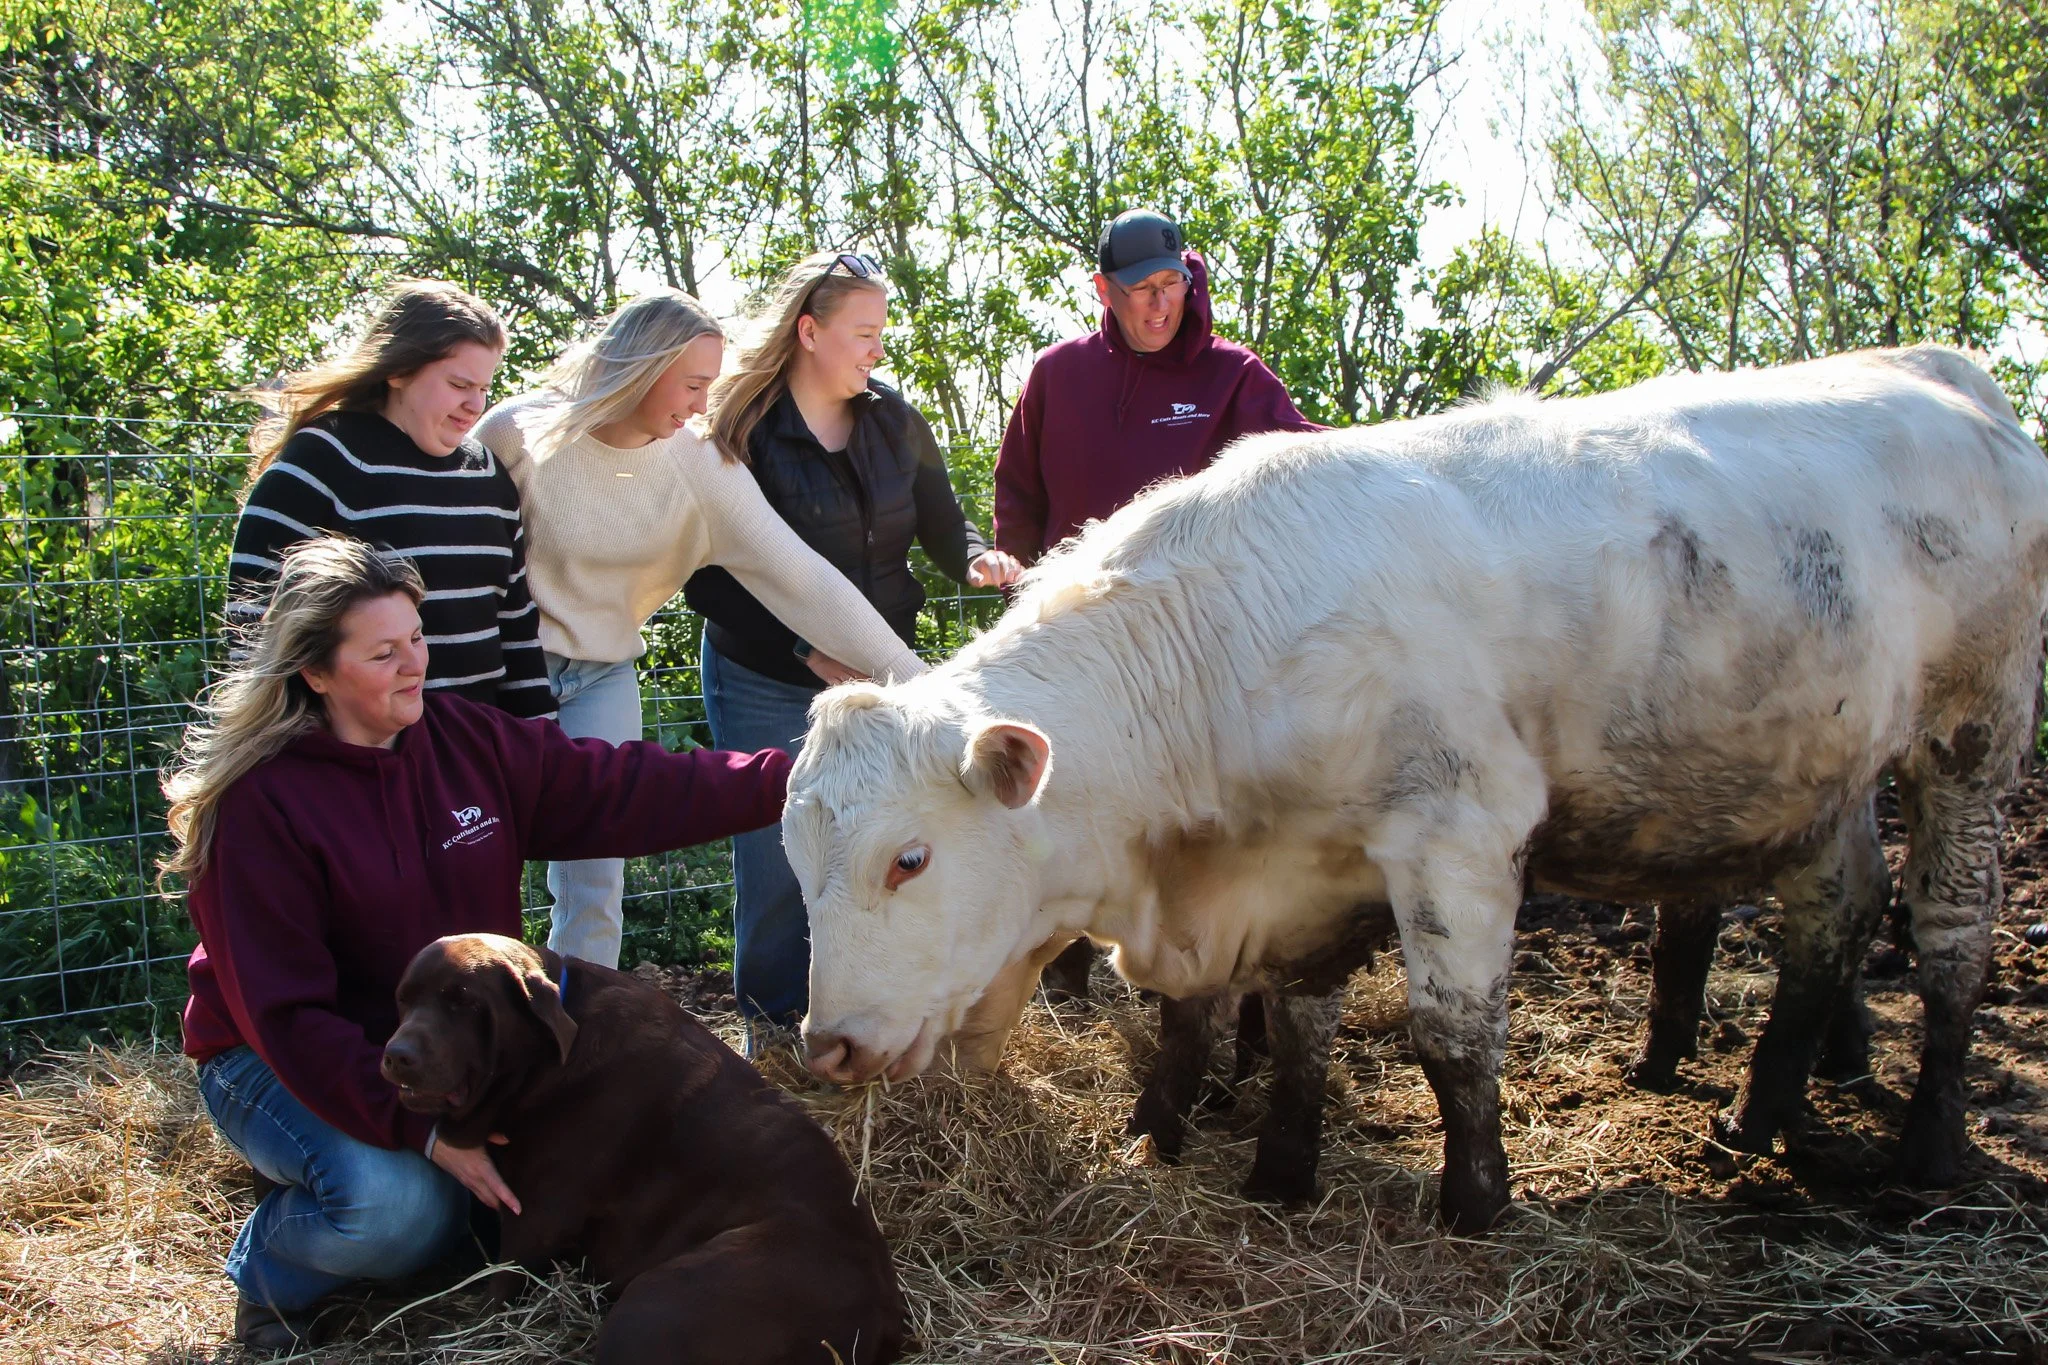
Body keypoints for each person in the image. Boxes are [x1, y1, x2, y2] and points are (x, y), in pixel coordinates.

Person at [165, 536, 793, 1352]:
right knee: (400, 1211)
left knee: (498, 1204)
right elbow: (287, 1019)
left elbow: (625, 786)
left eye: (417, 638)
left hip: (441, 1044)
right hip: (273, 1058)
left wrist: (793, 778)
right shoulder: (260, 806)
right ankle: (273, 1272)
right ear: (316, 672)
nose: (415, 664)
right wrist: (422, 1132)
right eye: (384, 651)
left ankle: (364, 1180)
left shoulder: (466, 743)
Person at [475, 289, 928, 970]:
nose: (701, 403)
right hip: (498, 673)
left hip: (600, 675)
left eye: (710, 385)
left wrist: (919, 683)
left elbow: (802, 578)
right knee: (478, 853)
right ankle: (471, 1019)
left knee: (596, 876)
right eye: (691, 384)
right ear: (641, 367)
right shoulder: (519, 434)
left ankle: (574, 1030)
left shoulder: (700, 464)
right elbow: (451, 549)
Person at [685, 250, 1022, 1045]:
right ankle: (772, 1034)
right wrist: (806, 649)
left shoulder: (894, 418)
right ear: (810, 331)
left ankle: (881, 1020)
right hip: (767, 674)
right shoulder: (740, 433)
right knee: (779, 862)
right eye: (864, 332)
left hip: (883, 681)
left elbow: (941, 518)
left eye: (881, 332)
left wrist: (974, 555)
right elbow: (706, 575)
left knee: (886, 859)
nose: (878, 348)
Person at [992, 209, 1322, 1002]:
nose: (1159, 305)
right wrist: (1019, 587)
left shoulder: (1232, 377)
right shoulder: (1057, 375)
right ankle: (1061, 973)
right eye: (1140, 289)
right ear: (1103, 290)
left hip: (1190, 654)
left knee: (1181, 824)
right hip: (1077, 651)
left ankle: (1197, 981)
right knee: (1066, 803)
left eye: (1173, 284)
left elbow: (1310, 471)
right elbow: (1019, 494)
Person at [227, 280, 553, 719]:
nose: (475, 405)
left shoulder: (489, 476)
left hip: (475, 751)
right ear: (398, 371)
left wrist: (539, 740)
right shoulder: (324, 459)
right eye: (459, 384)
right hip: (357, 755)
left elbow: (516, 629)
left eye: (484, 388)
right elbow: (251, 622)